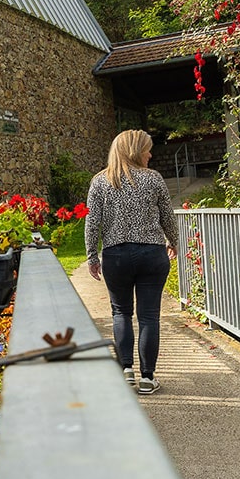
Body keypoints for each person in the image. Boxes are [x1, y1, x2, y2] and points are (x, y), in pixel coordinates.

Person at [84, 129, 178, 395]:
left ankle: (126, 371)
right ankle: (148, 377)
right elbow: (167, 218)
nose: (151, 154)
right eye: (148, 149)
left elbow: (92, 223)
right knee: (149, 317)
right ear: (136, 151)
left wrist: (92, 255)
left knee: (120, 313)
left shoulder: (101, 182)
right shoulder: (154, 179)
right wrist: (174, 241)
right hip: (151, 255)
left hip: (116, 256)